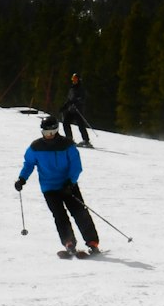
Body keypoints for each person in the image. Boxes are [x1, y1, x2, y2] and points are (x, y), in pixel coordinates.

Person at [15, 115, 100, 255]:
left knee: (80, 212)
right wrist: (22, 179)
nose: (48, 136)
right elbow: (29, 164)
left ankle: (92, 242)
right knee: (59, 215)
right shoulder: (36, 147)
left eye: (51, 133)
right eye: (45, 133)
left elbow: (76, 165)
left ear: (56, 131)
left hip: (68, 185)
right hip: (49, 188)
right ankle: (69, 242)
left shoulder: (67, 145)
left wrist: (70, 181)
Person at [61, 72, 91, 145]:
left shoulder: (81, 89)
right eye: (73, 79)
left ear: (79, 80)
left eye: (75, 79)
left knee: (80, 125)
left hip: (78, 110)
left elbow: (82, 98)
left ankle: (86, 140)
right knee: (65, 123)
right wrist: (64, 106)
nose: (73, 80)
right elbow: (69, 99)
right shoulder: (72, 88)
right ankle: (69, 138)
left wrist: (75, 101)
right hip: (71, 109)